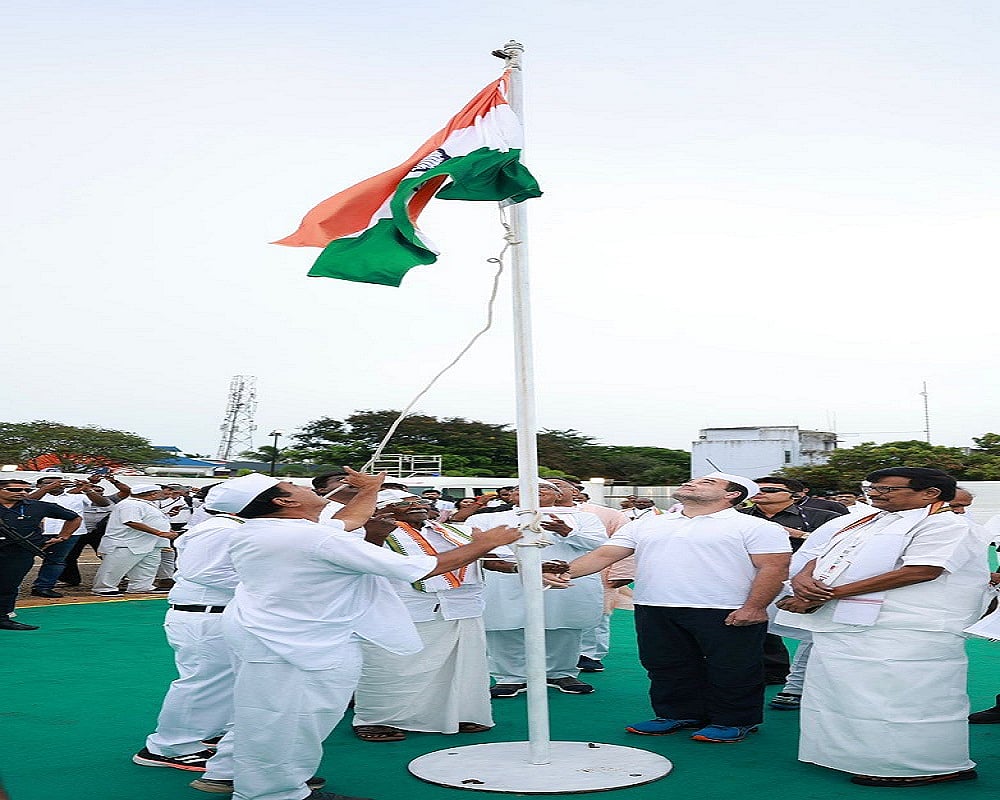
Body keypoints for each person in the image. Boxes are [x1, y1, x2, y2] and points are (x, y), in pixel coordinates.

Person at [219, 469, 520, 800]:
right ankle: (273, 794)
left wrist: (371, 489)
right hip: (301, 645)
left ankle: (258, 781)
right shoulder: (311, 537)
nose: (304, 486)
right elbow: (420, 567)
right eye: (293, 485)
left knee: (272, 715)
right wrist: (486, 543)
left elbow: (349, 520)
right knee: (290, 721)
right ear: (284, 501)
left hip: (279, 636)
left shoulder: (271, 528)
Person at [774, 467, 988, 786]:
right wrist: (804, 581)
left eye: (886, 489)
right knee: (845, 694)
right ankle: (854, 755)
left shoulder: (948, 524)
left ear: (929, 493)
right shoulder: (867, 518)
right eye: (871, 486)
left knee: (902, 698)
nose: (874, 493)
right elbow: (820, 554)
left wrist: (828, 595)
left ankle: (924, 766)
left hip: (909, 628)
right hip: (850, 624)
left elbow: (921, 571)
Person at [544, 472, 791, 743]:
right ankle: (678, 713)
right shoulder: (649, 524)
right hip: (655, 605)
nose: (691, 483)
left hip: (725, 607)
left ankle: (734, 720)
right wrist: (564, 573)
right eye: (693, 480)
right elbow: (604, 555)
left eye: (706, 482)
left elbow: (774, 567)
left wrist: (755, 608)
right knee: (665, 665)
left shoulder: (756, 527)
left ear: (732, 494)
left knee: (733, 666)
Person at [351, 491, 493, 741]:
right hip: (401, 608)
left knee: (463, 665)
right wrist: (374, 533)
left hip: (460, 606)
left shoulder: (451, 531)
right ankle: (375, 719)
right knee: (392, 667)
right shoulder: (363, 530)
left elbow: (484, 557)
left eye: (422, 502)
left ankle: (460, 713)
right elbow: (362, 561)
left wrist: (520, 566)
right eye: (407, 503)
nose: (418, 506)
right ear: (384, 508)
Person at [483, 481, 608, 697]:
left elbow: (600, 546)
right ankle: (510, 677)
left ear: (558, 496)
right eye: (522, 488)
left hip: (563, 579)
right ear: (511, 497)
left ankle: (561, 672)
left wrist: (567, 531)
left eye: (545, 488)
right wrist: (522, 567)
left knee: (563, 626)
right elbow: (487, 547)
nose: (535, 491)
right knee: (506, 627)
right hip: (509, 578)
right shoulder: (490, 517)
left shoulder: (583, 517)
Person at [740, 476, 845, 685]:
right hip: (745, 576)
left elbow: (839, 544)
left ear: (796, 495)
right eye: (756, 489)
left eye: (770, 489)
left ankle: (790, 680)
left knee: (810, 630)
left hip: (800, 579)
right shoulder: (739, 517)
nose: (761, 493)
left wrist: (799, 535)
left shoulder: (826, 517)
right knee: (748, 627)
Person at [546, 478, 631, 673]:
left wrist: (623, 573)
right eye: (543, 486)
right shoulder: (522, 513)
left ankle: (589, 654)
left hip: (595, 573)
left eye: (557, 486)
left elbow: (624, 544)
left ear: (575, 491)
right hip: (537, 576)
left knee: (595, 614)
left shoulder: (605, 514)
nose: (551, 490)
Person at [0, 479, 80, 630]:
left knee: (8, 586)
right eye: (15, 490)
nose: (22, 493)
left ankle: (3, 618)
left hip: (19, 552)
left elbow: (74, 517)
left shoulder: (38, 506)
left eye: (26, 490)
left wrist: (63, 536)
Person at [28, 476, 109, 598]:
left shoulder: (77, 496)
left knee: (57, 561)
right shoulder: (37, 496)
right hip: (37, 533)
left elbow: (104, 503)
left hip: (70, 533)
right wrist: (46, 489)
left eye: (59, 482)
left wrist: (88, 489)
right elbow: (25, 503)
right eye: (49, 483)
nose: (56, 484)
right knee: (24, 560)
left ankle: (43, 587)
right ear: (39, 485)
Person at [91, 484, 177, 595]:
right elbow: (130, 521)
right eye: (160, 492)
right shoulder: (130, 504)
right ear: (153, 494)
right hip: (127, 542)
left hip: (150, 542)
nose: (164, 494)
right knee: (115, 566)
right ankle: (104, 588)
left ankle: (141, 586)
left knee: (148, 566)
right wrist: (159, 532)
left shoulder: (145, 504)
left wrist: (167, 531)